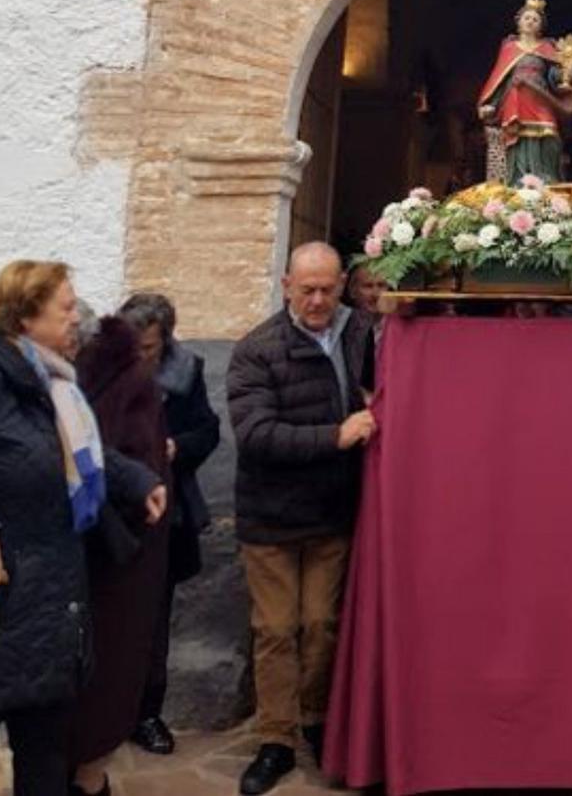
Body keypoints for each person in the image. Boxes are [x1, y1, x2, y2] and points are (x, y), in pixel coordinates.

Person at [0, 262, 164, 796]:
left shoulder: (52, 382)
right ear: (24, 316)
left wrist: (134, 480)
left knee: (45, 764)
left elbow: (71, 454)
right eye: (64, 307)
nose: (75, 317)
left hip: (52, 603)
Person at [227, 243, 374, 796]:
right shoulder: (256, 350)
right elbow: (256, 435)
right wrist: (336, 435)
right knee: (275, 631)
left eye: (328, 289)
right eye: (307, 289)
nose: (317, 300)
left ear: (342, 285)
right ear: (287, 283)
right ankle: (276, 739)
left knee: (321, 625)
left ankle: (313, 719)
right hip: (272, 517)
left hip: (332, 511)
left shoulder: (360, 331)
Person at [69, 314, 173, 796]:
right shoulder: (58, 384)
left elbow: (118, 460)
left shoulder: (127, 385)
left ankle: (89, 781)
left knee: (103, 685)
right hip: (72, 564)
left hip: (114, 562)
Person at [118, 291, 221, 757]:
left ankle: (146, 714)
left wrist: (179, 446)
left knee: (154, 623)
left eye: (150, 348)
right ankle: (104, 714)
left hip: (166, 517)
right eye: (134, 346)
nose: (140, 356)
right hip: (110, 516)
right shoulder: (100, 368)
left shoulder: (187, 371)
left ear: (166, 341)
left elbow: (208, 429)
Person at [476, 0, 572, 184]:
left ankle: (548, 179)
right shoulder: (508, 47)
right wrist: (489, 104)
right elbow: (499, 79)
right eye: (527, 18)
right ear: (519, 22)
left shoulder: (549, 47)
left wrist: (564, 73)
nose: (531, 22)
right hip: (514, 98)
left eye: (535, 19)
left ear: (541, 26)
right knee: (518, 138)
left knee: (549, 136)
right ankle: (518, 181)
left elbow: (554, 75)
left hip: (540, 97)